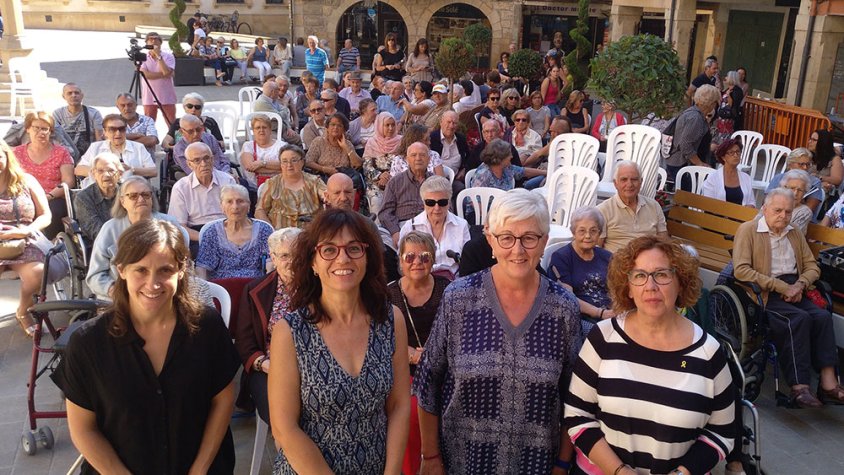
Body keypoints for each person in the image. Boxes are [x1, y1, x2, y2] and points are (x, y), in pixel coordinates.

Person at [414, 189, 582, 474]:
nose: (517, 250)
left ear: (544, 242)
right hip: (462, 463)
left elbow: (575, 397)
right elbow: (428, 382)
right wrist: (430, 457)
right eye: (506, 237)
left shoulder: (563, 308)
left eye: (529, 238)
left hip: (536, 466)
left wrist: (562, 464)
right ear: (491, 241)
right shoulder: (458, 299)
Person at [54, 219, 240, 475]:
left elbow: (223, 399)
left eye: (165, 270)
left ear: (182, 270)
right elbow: (83, 429)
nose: (153, 284)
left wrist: (199, 470)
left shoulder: (207, 326)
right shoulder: (88, 343)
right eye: (141, 270)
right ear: (121, 269)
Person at [565, 235, 735, 474]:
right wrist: (619, 471)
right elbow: (577, 417)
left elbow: (722, 431)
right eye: (640, 275)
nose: (651, 286)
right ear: (629, 288)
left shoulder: (708, 351)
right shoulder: (603, 338)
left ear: (681, 283)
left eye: (662, 274)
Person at [267, 208, 410, 473]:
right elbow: (284, 428)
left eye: (354, 248)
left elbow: (399, 405)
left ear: (367, 258)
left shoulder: (391, 320)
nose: (342, 258)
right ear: (313, 262)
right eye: (329, 250)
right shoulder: (290, 332)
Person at [734, 188, 844, 407]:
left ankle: (828, 383)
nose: (783, 216)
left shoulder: (794, 232)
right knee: (798, 319)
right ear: (764, 209)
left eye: (788, 211)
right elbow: (741, 270)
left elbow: (812, 266)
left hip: (796, 287)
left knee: (821, 316)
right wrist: (782, 287)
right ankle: (799, 388)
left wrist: (801, 284)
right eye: (777, 210)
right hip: (766, 291)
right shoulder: (749, 230)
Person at [386, 230, 449, 475]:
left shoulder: (447, 290)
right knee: (413, 413)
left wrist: (434, 354)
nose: (417, 263)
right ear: (400, 260)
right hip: (404, 370)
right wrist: (411, 353)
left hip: (443, 369)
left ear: (433, 259)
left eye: (424, 256)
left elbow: (458, 334)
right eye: (409, 257)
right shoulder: (388, 294)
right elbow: (379, 338)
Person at [235, 226, 302, 427]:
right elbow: (244, 344)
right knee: (282, 416)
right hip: (269, 369)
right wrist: (266, 365)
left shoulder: (319, 286)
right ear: (272, 257)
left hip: (313, 367)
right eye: (284, 256)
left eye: (298, 255)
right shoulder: (255, 290)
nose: (292, 262)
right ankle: (290, 455)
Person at [86, 176, 187, 301]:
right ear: (122, 201)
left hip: (162, 294)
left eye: (146, 195)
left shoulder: (169, 224)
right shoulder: (110, 229)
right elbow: (95, 275)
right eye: (133, 196)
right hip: (119, 298)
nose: (141, 199)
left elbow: (183, 265)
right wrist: (115, 291)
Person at [0, 140, 51, 337]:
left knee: (38, 273)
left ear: (7, 157)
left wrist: (25, 231)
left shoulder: (26, 181)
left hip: (25, 238)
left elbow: (46, 215)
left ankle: (23, 309)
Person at [547, 206, 615, 335]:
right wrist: (600, 313)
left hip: (612, 314)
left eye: (593, 231)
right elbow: (567, 298)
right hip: (580, 318)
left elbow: (618, 287)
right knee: (605, 336)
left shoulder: (607, 256)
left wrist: (617, 309)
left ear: (599, 233)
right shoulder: (561, 257)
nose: (588, 236)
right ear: (573, 232)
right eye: (582, 231)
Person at [13, 112, 74, 240]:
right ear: (28, 129)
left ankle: (50, 244)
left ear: (50, 132)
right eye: (36, 128)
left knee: (55, 210)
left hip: (53, 197)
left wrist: (49, 196)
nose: (41, 132)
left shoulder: (61, 152)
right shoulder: (16, 153)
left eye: (45, 129)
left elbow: (68, 181)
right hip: (24, 196)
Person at [168, 142, 237, 251]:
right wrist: (205, 238)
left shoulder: (227, 180)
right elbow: (179, 226)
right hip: (197, 234)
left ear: (212, 159)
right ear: (189, 164)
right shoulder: (181, 187)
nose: (203, 164)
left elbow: (238, 214)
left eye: (206, 158)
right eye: (197, 160)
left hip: (228, 229)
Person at [196, 184, 273, 280]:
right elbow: (202, 268)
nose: (235, 206)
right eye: (229, 202)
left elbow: (271, 264)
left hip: (255, 288)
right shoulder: (212, 232)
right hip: (222, 289)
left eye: (240, 201)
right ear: (222, 207)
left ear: (249, 205)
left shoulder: (263, 230)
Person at [399, 175, 470, 278]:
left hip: (453, 282)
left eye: (442, 202)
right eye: (430, 203)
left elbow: (466, 263)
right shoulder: (410, 227)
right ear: (423, 203)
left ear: (449, 202)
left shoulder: (461, 225)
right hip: (422, 282)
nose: (437, 208)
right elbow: (402, 265)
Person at [597, 160, 668, 253]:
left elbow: (664, 241)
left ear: (640, 182)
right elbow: (597, 248)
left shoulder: (654, 206)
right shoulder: (603, 210)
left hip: (649, 262)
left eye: (634, 179)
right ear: (615, 183)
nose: (629, 184)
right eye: (624, 180)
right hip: (617, 263)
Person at [75, 114, 156, 188]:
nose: (118, 133)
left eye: (121, 129)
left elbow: (153, 171)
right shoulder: (95, 147)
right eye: (112, 129)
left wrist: (131, 170)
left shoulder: (138, 147)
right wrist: (103, 171)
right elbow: (78, 170)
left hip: (129, 191)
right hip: (99, 190)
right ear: (105, 132)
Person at [256, 144, 325, 229]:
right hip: (280, 236)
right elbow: (260, 210)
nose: (289, 165)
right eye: (284, 161)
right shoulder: (272, 183)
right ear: (280, 164)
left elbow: (327, 195)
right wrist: (270, 230)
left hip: (310, 234)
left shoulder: (315, 181)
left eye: (294, 160)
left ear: (302, 162)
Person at [379, 142, 432, 248]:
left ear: (429, 159)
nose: (418, 158)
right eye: (413, 155)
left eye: (422, 155)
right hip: (401, 226)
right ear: (407, 159)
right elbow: (385, 212)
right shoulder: (395, 182)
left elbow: (447, 209)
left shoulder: (436, 182)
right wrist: (395, 232)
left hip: (429, 227)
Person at [666, 84, 720, 182]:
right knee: (689, 196)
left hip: (680, 163)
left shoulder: (693, 113)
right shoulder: (695, 118)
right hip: (684, 166)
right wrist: (699, 163)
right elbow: (685, 145)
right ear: (711, 103)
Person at [73, 152, 122, 243]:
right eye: (100, 171)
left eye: (111, 170)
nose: (106, 175)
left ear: (120, 173)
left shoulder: (128, 192)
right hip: (102, 245)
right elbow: (95, 230)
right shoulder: (83, 198)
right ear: (93, 174)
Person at [363, 112, 403, 216]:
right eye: (387, 125)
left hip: (396, 181)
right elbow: (366, 167)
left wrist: (390, 177)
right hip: (375, 182)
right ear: (380, 125)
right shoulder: (372, 142)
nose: (390, 128)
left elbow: (404, 164)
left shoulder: (401, 142)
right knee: (376, 201)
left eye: (393, 125)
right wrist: (380, 176)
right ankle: (378, 231)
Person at [766, 147, 823, 216]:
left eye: (808, 164)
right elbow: (766, 201)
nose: (805, 167)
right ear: (790, 164)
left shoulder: (814, 182)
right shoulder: (778, 178)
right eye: (801, 164)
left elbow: (809, 209)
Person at [472, 138, 546, 191]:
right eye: (509, 155)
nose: (512, 156)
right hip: (484, 211)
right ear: (501, 158)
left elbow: (524, 171)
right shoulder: (483, 174)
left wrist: (546, 172)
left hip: (505, 206)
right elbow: (475, 201)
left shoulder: (507, 168)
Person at [52, 83, 103, 157]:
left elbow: (99, 140)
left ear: (82, 96)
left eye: (76, 93)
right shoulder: (58, 114)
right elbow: (57, 139)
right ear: (64, 96)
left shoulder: (94, 113)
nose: (73, 95)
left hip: (89, 156)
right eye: (69, 93)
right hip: (66, 156)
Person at [701, 138, 755, 206]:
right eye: (731, 153)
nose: (735, 155)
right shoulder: (712, 178)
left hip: (741, 215)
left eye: (738, 152)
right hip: (717, 215)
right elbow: (708, 204)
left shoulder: (746, 178)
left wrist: (750, 207)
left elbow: (751, 202)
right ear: (723, 157)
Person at [139, 32, 177, 124]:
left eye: (156, 39)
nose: (153, 41)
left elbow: (167, 72)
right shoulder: (143, 57)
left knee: (171, 124)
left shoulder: (168, 56)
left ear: (160, 42)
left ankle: (172, 138)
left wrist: (159, 56)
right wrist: (164, 74)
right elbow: (146, 75)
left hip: (166, 96)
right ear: (146, 42)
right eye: (150, 39)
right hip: (149, 97)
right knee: (148, 124)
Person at [240, 115, 285, 187]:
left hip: (279, 186)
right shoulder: (248, 146)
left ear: (270, 130)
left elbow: (287, 165)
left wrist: (262, 163)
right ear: (253, 131)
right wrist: (279, 169)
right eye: (258, 128)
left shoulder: (281, 146)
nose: (261, 130)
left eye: (264, 127)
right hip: (254, 188)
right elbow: (249, 167)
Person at [429, 111, 469, 179]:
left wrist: (464, 169)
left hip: (456, 178)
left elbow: (468, 157)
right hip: (437, 179)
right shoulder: (432, 138)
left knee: (461, 187)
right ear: (441, 122)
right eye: (448, 122)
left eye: (454, 123)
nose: (451, 126)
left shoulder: (461, 139)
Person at [808, 129, 843, 196]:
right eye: (810, 139)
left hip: (824, 193)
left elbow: (837, 180)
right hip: (808, 187)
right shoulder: (809, 155)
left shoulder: (835, 159)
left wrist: (819, 177)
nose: (809, 141)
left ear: (823, 142)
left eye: (814, 140)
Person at [714, 71, 745, 144]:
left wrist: (729, 96)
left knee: (726, 139)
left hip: (729, 118)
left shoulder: (737, 91)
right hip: (722, 117)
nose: (725, 77)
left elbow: (733, 105)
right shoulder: (727, 89)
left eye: (727, 76)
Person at [779, 169, 814, 234]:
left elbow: (789, 235)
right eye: (792, 188)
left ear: (804, 193)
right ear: (784, 188)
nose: (795, 193)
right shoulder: (771, 203)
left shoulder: (804, 212)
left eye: (800, 190)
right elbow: (756, 224)